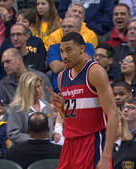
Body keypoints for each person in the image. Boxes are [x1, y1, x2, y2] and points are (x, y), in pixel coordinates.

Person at [49, 32, 118, 169]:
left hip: (91, 142)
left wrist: (106, 157)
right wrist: (62, 109)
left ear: (82, 48)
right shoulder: (61, 77)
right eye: (62, 51)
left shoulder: (94, 72)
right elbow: (71, 120)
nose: (65, 56)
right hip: (69, 143)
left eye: (69, 50)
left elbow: (113, 114)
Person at [47, 15, 95, 93]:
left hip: (83, 89)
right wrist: (76, 61)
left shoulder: (88, 46)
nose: (66, 29)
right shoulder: (53, 48)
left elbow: (87, 63)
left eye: (70, 26)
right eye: (63, 27)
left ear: (79, 29)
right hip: (59, 91)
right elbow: (55, 68)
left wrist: (65, 63)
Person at [7, 72, 53, 145]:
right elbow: (13, 133)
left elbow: (50, 130)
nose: (38, 90)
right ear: (25, 90)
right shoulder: (17, 108)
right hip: (23, 149)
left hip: (44, 147)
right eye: (33, 88)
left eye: (39, 86)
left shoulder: (46, 105)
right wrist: (35, 139)